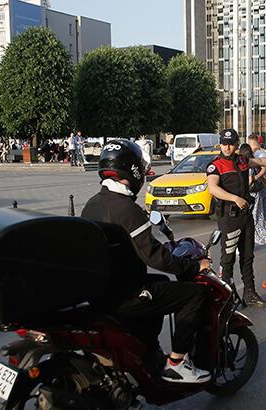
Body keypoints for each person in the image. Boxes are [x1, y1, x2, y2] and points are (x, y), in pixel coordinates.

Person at [81, 139, 213, 383]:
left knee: (160, 283)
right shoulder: (126, 209)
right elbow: (156, 257)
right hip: (125, 294)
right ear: (133, 170)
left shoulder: (93, 203)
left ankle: (147, 351)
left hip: (102, 290)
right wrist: (194, 266)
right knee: (193, 294)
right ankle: (177, 363)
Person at [206, 129, 266, 308]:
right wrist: (235, 198)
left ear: (237, 144)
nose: (227, 147)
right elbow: (213, 188)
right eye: (224, 143)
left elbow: (261, 161)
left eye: (230, 143)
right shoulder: (216, 165)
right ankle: (226, 299)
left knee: (247, 257)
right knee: (227, 260)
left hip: (245, 217)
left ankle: (249, 295)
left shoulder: (242, 161)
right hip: (229, 219)